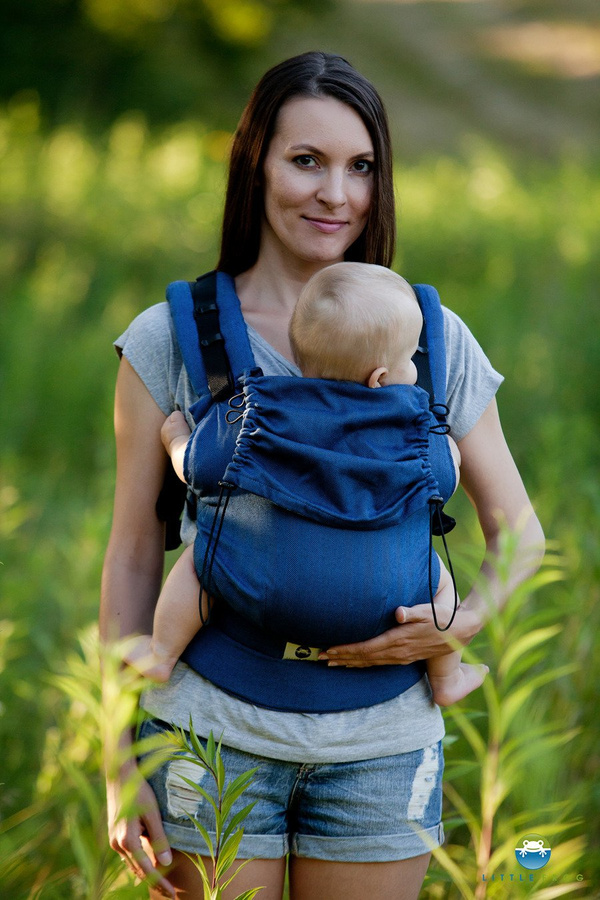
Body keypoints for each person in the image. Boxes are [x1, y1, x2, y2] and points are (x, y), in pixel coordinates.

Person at [101, 51, 544, 900]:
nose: (335, 194)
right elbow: (131, 554)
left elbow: (519, 533)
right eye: (306, 161)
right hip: (211, 732)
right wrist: (117, 759)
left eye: (361, 166)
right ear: (255, 164)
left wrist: (462, 627)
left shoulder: (430, 336)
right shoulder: (174, 336)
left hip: (382, 751)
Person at [124, 262, 487, 709]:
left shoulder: (262, 413)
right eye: (411, 358)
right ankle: (447, 678)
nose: (416, 366)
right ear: (380, 379)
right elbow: (444, 475)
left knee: (202, 561)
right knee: (439, 582)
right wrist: (448, 448)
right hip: (387, 605)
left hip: (260, 596)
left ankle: (161, 653)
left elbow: (197, 468)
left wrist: (175, 438)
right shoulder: (411, 427)